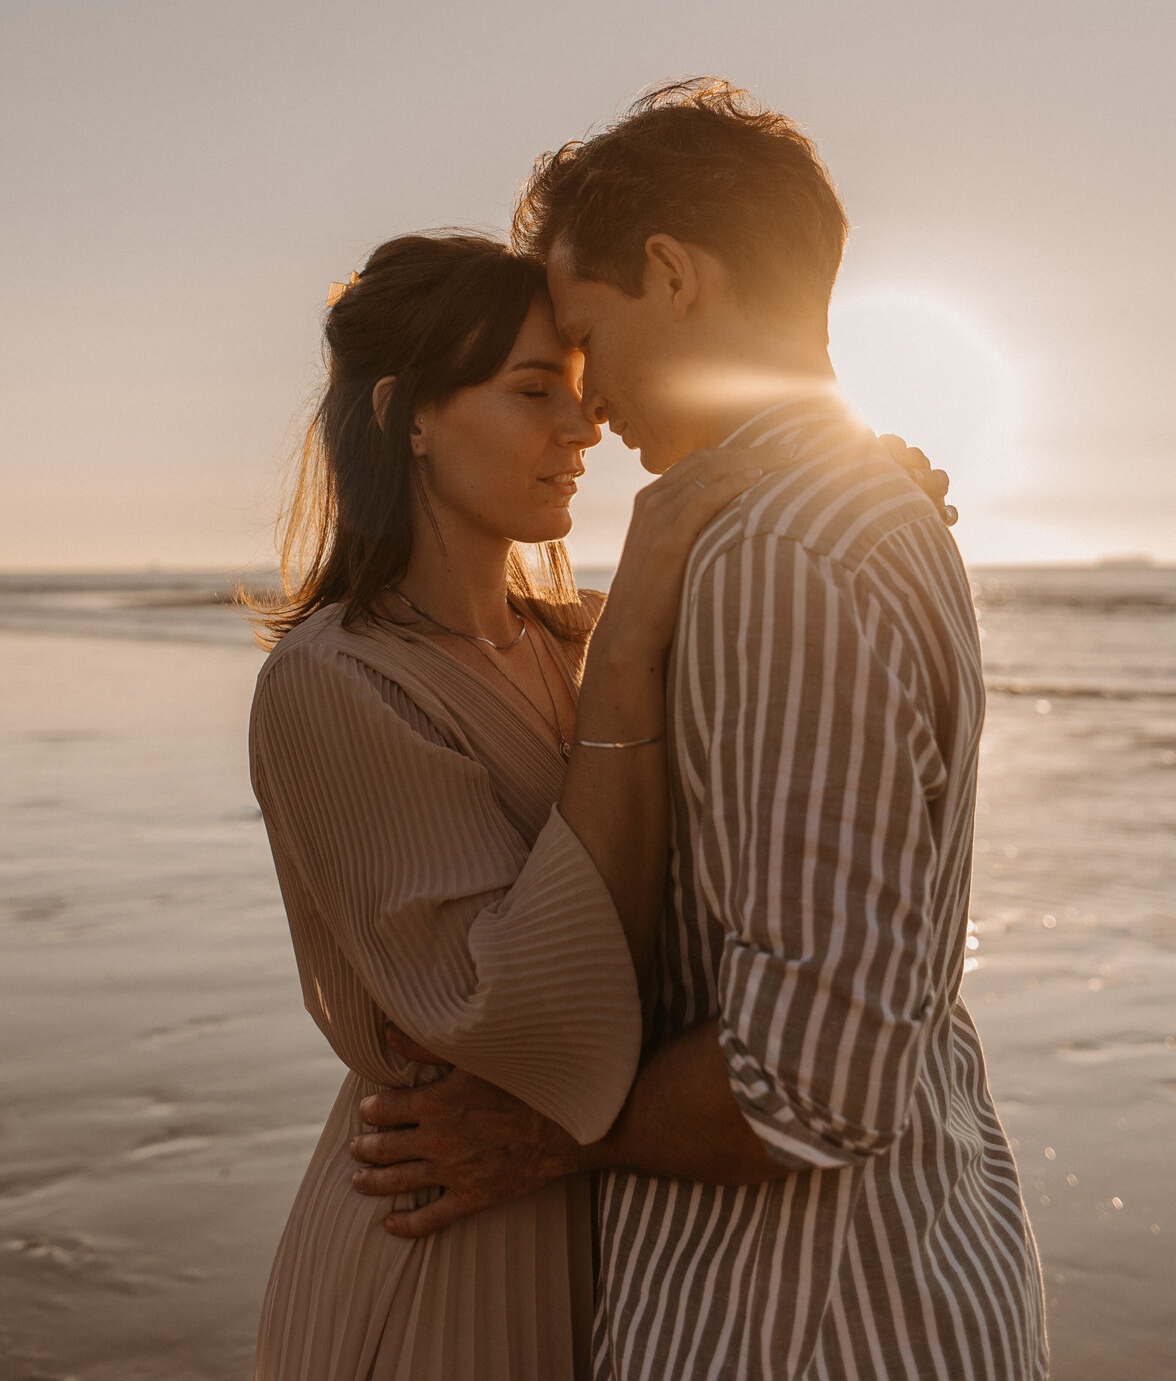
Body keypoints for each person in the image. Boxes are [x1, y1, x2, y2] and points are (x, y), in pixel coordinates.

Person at [350, 82, 1049, 1381]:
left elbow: (815, 1077)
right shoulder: (820, 524)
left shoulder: (781, 555)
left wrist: (551, 1132)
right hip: (885, 1273)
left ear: (672, 273)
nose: (585, 397)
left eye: (584, 333)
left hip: (798, 1322)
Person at [248, 230, 799, 1379]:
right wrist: (639, 622)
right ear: (408, 414)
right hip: (437, 1258)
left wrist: (855, 487)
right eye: (535, 390)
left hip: (614, 1246)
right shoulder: (333, 685)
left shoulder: (580, 643)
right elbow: (523, 1017)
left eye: (586, 394)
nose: (585, 429)